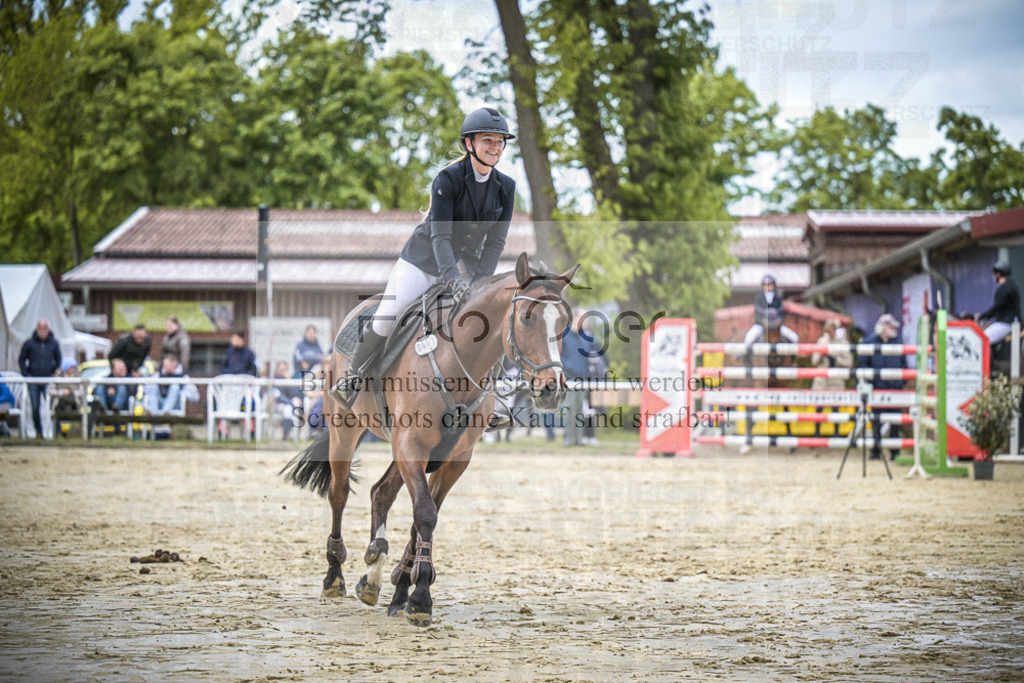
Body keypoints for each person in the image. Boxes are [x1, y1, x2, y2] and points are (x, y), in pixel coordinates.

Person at [330, 107, 517, 406]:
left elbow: (495, 243)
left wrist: (480, 284)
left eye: (499, 141)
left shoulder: (506, 187)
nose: (495, 147)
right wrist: (453, 279)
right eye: (488, 140)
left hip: (466, 265)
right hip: (424, 260)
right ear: (469, 144)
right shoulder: (448, 179)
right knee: (389, 314)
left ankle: (489, 400)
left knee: (489, 319)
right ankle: (353, 377)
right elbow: (440, 236)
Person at [858, 314, 904, 461]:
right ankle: (875, 450)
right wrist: (871, 380)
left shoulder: (897, 343)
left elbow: (903, 364)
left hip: (894, 388)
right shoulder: (869, 342)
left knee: (895, 421)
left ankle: (895, 451)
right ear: (884, 327)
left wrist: (901, 382)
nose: (894, 329)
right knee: (876, 420)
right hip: (877, 387)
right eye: (892, 326)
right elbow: (862, 363)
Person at [559, 310, 601, 447]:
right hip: (569, 377)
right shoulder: (564, 335)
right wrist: (568, 367)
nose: (586, 320)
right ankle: (568, 437)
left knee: (580, 408)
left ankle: (578, 438)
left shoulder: (586, 336)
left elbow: (597, 350)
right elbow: (558, 355)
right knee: (569, 406)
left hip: (584, 377)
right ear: (575, 318)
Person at [19, 318, 62, 439]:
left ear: (48, 329)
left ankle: (57, 431)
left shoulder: (54, 343)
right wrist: (26, 374)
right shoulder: (29, 343)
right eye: (40, 328)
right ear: (37, 329)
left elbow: (58, 359)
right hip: (33, 380)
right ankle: (38, 432)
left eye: (45, 328)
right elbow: (21, 359)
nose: (42, 330)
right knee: (35, 407)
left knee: (53, 406)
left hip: (48, 380)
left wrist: (54, 372)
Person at [743, 275, 799, 346]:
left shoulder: (778, 297)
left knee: (794, 337)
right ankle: (744, 352)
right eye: (766, 284)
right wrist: (763, 322)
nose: (768, 286)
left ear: (773, 285)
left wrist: (777, 323)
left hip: (776, 326)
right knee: (748, 338)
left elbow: (781, 312)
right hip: (761, 326)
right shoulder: (759, 297)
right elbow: (758, 312)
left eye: (770, 284)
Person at [977, 261, 1021, 347]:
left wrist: (983, 316)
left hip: (1006, 322)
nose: (994, 276)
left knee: (981, 339)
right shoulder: (1012, 285)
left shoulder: (1004, 289)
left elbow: (997, 307)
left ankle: (989, 356)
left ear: (998, 274)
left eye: (995, 274)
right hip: (1011, 321)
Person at [810, 319, 853, 391]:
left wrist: (836, 360)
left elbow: (849, 363)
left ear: (835, 330)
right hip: (820, 383)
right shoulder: (821, 341)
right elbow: (813, 362)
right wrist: (821, 356)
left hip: (836, 382)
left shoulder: (843, 343)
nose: (829, 333)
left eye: (831, 331)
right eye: (827, 331)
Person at [270, 360, 304, 439]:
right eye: (281, 370)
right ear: (277, 370)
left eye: (285, 369)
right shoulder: (274, 379)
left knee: (292, 406)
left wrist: (289, 380)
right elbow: (277, 395)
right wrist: (289, 402)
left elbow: (295, 394)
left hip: (289, 404)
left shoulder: (288, 379)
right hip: (277, 404)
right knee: (288, 409)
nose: (283, 372)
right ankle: (286, 434)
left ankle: (292, 434)